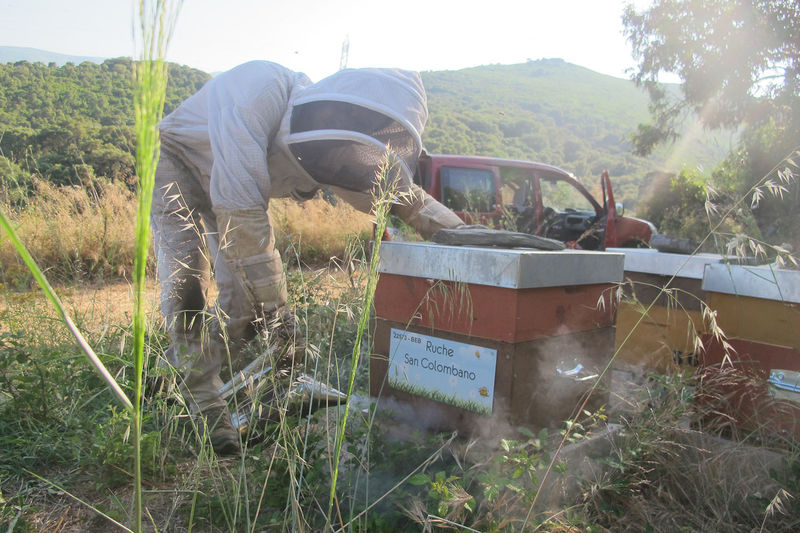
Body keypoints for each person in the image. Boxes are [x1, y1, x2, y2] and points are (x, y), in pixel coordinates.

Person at [152, 61, 464, 455]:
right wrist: (279, 313)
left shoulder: (332, 141)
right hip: (176, 161)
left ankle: (178, 372)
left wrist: (463, 232)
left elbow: (401, 195)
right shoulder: (259, 90)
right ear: (336, 107)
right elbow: (240, 211)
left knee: (243, 308)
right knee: (186, 290)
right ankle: (206, 405)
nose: (343, 160)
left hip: (235, 191)